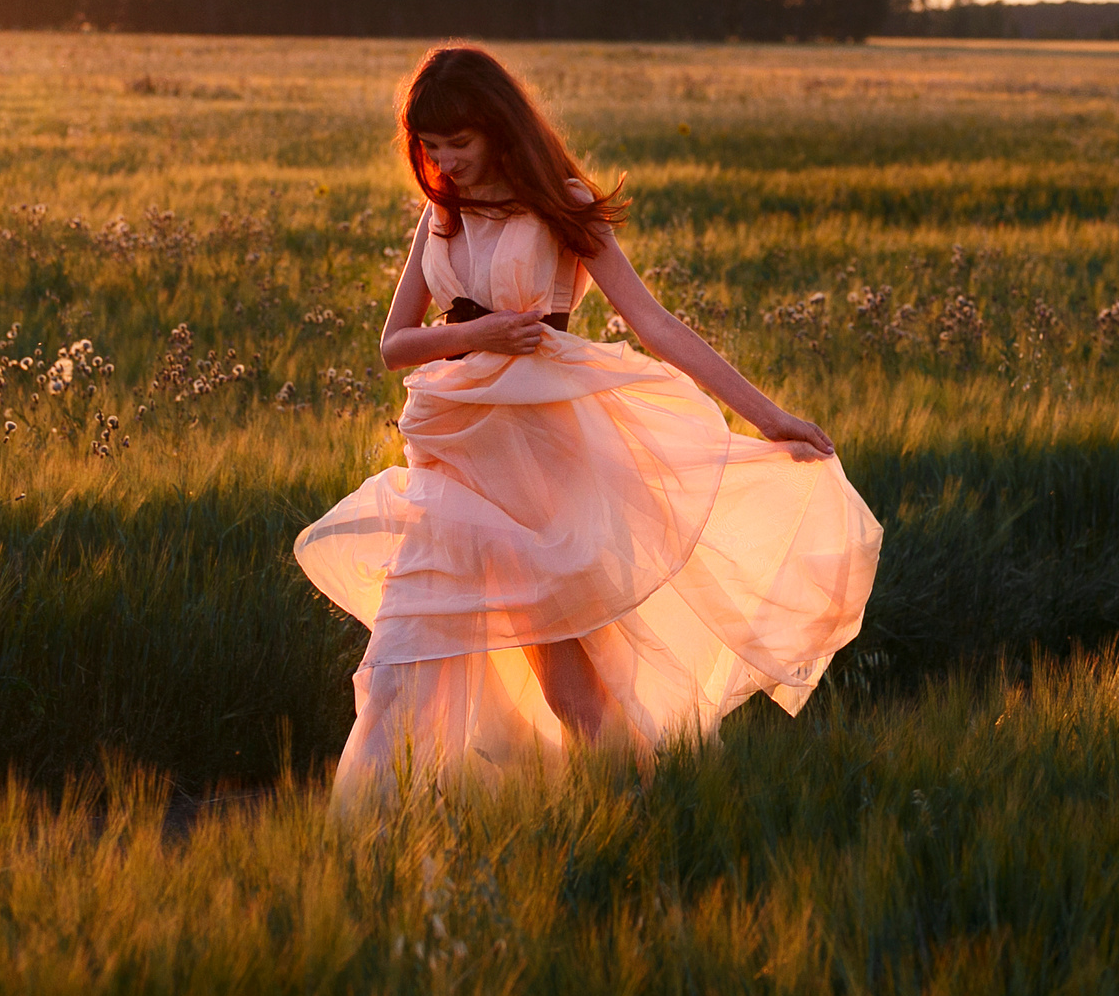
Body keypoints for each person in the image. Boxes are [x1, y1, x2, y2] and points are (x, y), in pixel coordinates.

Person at [295, 45, 883, 803]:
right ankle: (382, 838)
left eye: (459, 144)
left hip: (540, 463)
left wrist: (770, 417)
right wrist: (478, 335)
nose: (445, 162)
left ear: (500, 128)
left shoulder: (562, 203)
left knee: (568, 686)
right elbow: (393, 347)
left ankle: (645, 811)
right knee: (403, 653)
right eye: (430, 147)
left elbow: (653, 322)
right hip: (453, 459)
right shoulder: (438, 216)